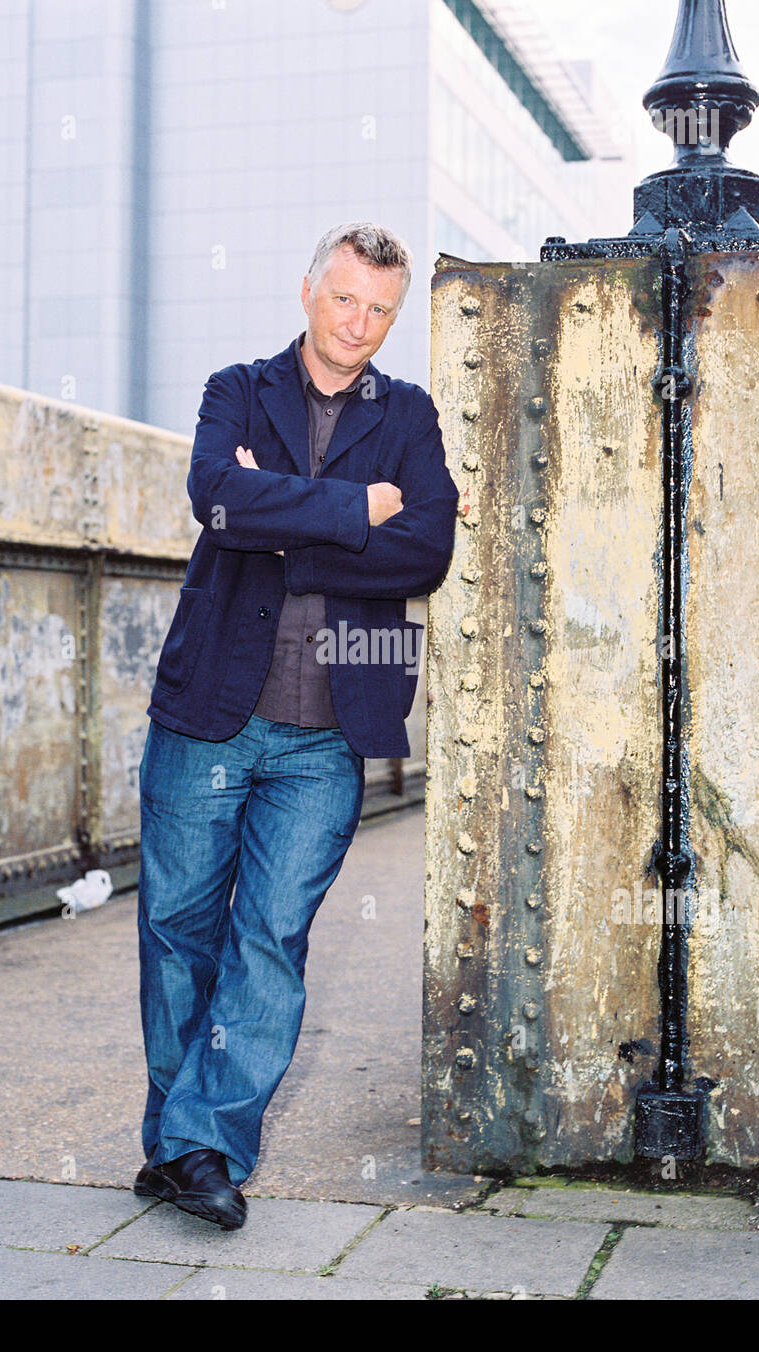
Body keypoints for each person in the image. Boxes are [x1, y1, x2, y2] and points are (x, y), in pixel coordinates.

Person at [132, 222, 459, 1229]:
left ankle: (203, 1145)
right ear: (307, 290)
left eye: (378, 310)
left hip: (328, 731)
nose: (357, 325)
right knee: (178, 933)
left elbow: (426, 548)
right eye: (343, 299)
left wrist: (291, 528)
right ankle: (179, 1143)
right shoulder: (236, 389)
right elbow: (214, 499)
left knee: (268, 940)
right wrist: (352, 508)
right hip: (207, 716)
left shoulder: (407, 415)